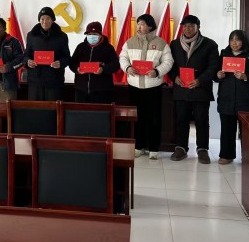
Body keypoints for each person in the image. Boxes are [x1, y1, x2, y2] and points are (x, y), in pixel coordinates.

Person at [119, 14, 173, 160]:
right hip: (134, 86)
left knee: (154, 118)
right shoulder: (129, 42)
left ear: (150, 26)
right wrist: (127, 68)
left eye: (142, 24)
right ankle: (139, 146)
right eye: (138, 24)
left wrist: (157, 71)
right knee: (138, 118)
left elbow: (168, 62)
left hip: (153, 87)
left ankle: (154, 148)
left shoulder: (161, 43)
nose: (139, 27)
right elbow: (123, 58)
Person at [169, 15, 219, 164]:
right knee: (181, 119)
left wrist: (200, 80)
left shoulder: (209, 44)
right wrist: (174, 77)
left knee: (201, 120)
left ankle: (202, 149)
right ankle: (181, 148)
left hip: (200, 89)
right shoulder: (175, 44)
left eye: (191, 26)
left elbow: (213, 67)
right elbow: (169, 64)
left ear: (198, 27)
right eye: (185, 26)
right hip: (181, 88)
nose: (187, 29)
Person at [215, 30, 249, 164]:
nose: (234, 43)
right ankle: (226, 155)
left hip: (246, 100)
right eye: (232, 40)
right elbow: (215, 74)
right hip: (226, 98)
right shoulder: (224, 54)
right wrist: (218, 75)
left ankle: (248, 157)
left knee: (246, 131)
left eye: (237, 40)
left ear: (243, 41)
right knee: (227, 129)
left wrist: (246, 77)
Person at [24, 7, 70, 101]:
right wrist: (28, 61)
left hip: (54, 81)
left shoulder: (62, 36)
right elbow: (25, 55)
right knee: (35, 108)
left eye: (48, 18)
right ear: (39, 20)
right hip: (35, 81)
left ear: (53, 20)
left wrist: (60, 63)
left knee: (53, 108)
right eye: (42, 19)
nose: (45, 21)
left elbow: (67, 57)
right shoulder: (31, 35)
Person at [69, 21, 120, 103]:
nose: (91, 36)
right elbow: (72, 63)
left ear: (100, 35)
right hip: (81, 89)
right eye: (89, 34)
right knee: (80, 111)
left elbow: (116, 65)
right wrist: (77, 69)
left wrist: (103, 69)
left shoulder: (108, 48)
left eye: (95, 34)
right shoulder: (80, 47)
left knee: (100, 111)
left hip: (102, 90)